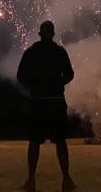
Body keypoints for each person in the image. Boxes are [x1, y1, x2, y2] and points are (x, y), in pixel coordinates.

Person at [17, 21, 77, 192]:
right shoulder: (59, 52)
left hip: (39, 102)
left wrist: (33, 88)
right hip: (56, 101)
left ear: (39, 33)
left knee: (35, 141)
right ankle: (66, 179)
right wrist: (58, 84)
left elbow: (20, 76)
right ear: (53, 33)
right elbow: (70, 74)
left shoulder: (31, 52)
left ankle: (31, 180)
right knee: (60, 141)